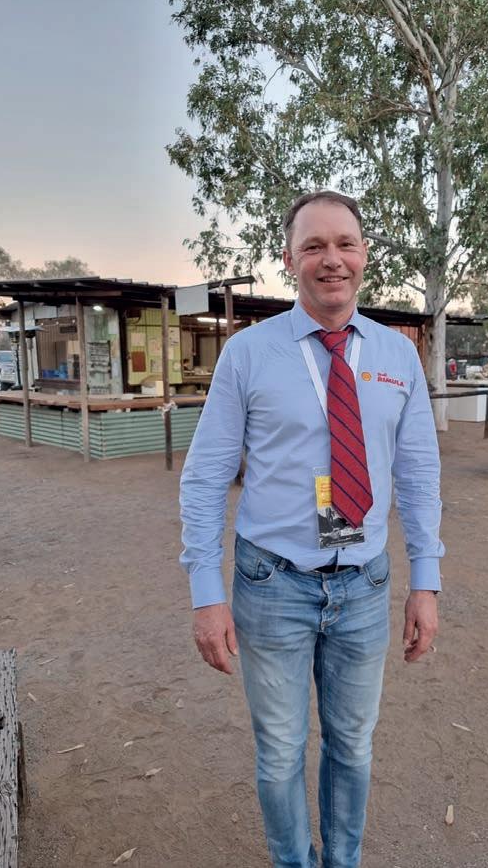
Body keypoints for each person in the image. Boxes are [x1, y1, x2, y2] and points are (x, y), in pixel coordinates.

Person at [180, 190, 444, 868]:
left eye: (345, 244)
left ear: (364, 255)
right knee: (278, 752)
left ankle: (341, 862)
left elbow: (418, 473)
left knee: (352, 747)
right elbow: (205, 477)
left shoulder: (397, 356)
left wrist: (426, 581)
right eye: (313, 246)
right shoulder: (248, 354)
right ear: (289, 258)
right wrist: (206, 594)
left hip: (364, 587)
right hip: (272, 584)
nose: (332, 260)